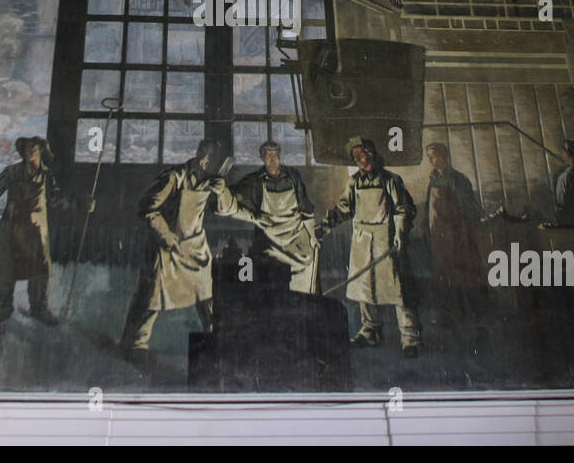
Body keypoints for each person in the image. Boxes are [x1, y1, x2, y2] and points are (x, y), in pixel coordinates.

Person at [119, 138, 255, 366]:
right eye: (203, 154)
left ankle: (216, 339)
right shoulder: (174, 177)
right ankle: (135, 345)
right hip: (168, 248)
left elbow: (225, 210)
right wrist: (166, 235)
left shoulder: (213, 181)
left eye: (210, 159)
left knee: (207, 295)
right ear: (197, 153)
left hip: (196, 248)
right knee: (152, 297)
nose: (205, 161)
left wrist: (222, 193)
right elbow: (147, 208)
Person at [316, 137, 423, 357]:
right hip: (363, 240)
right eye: (358, 157)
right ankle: (370, 332)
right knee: (366, 290)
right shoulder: (354, 182)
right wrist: (323, 228)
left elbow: (404, 209)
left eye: (365, 154)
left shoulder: (391, 180)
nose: (363, 160)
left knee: (398, 290)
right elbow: (343, 209)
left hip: (387, 239)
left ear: (373, 153)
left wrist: (400, 234)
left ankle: (410, 338)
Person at [0, 136, 65, 327]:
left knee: (39, 271)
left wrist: (81, 204)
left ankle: (39, 308)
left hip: (37, 230)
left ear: (41, 151)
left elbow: (56, 200)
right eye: (26, 149)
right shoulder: (12, 172)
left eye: (33, 148)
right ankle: (2, 307)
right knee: (5, 269)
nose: (29, 152)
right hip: (11, 227)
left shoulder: (47, 176)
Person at [231, 140, 321, 294]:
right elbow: (233, 198)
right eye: (268, 156)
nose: (272, 160)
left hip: (297, 239)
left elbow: (305, 208)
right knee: (271, 285)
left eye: (275, 155)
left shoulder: (293, 176)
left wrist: (313, 235)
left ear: (280, 156)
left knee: (304, 287)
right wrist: (252, 216)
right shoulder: (255, 180)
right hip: (271, 241)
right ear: (262, 159)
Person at [423, 142, 487, 326]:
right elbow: (429, 208)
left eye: (434, 155)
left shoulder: (458, 179)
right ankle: (448, 314)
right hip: (439, 238)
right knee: (443, 276)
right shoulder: (434, 178)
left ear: (444, 156)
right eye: (429, 156)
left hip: (457, 237)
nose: (431, 160)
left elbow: (468, 208)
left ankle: (471, 315)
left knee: (464, 275)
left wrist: (459, 231)